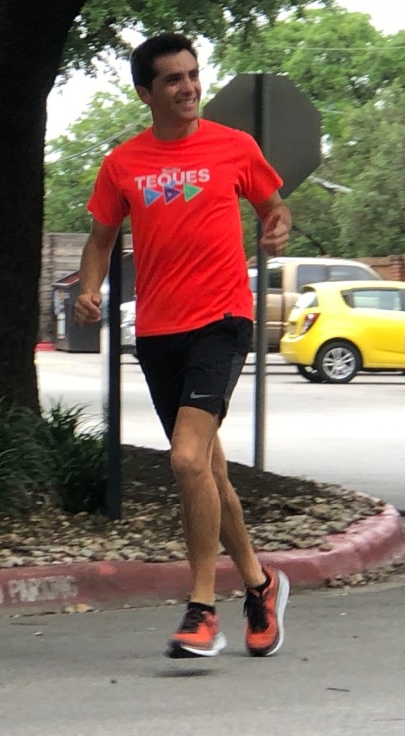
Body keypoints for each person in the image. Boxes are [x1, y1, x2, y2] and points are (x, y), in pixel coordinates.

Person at [73, 32, 292, 660]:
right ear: (146, 92)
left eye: (193, 75)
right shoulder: (123, 164)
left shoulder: (235, 147)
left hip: (221, 320)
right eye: (173, 79)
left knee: (187, 459)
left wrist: (276, 228)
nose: (189, 87)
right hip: (160, 330)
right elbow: (100, 238)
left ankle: (201, 609)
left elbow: (274, 208)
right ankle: (259, 583)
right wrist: (90, 289)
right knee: (209, 469)